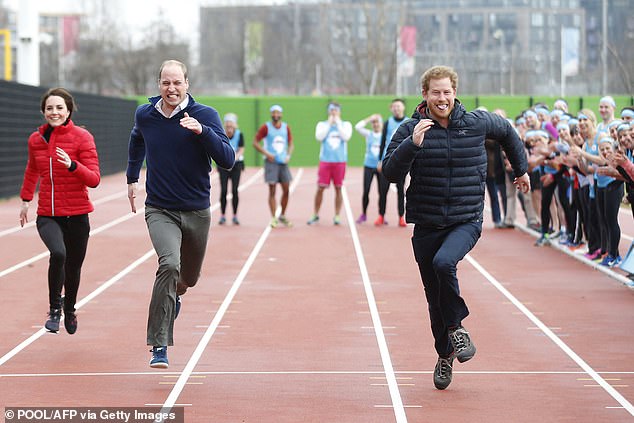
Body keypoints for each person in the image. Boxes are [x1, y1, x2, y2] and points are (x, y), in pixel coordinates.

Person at [382, 65, 530, 390]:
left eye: (447, 92)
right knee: (434, 300)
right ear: (425, 94)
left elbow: (506, 131)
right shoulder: (411, 128)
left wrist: (521, 169)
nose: (442, 98)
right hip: (426, 223)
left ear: (454, 92)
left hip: (466, 219)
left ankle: (458, 328)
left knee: (444, 263)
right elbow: (389, 172)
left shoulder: (476, 122)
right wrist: (413, 144)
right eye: (435, 92)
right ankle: (445, 355)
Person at [126, 60, 235, 368]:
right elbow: (136, 140)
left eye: (176, 83)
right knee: (169, 264)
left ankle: (175, 299)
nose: (171, 89)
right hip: (160, 208)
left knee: (187, 279)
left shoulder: (205, 115)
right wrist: (132, 177)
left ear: (187, 84)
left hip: (197, 211)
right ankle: (159, 344)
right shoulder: (146, 115)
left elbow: (227, 160)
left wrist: (203, 132)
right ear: (158, 84)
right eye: (165, 83)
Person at [19, 88, 101, 335]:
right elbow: (32, 169)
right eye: (49, 108)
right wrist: (25, 200)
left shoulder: (82, 137)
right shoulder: (36, 140)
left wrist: (73, 165)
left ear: (68, 110)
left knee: (73, 267)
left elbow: (94, 179)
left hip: (77, 214)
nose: (54, 112)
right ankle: (55, 309)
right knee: (58, 253)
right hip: (48, 214)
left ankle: (70, 307)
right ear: (43, 112)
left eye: (59, 108)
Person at [307, 102, 353, 225]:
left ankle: (337, 215)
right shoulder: (322, 125)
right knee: (320, 187)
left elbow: (346, 137)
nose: (333, 112)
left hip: (340, 162)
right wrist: (329, 123)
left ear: (339, 112)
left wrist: (337, 123)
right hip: (325, 161)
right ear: (328, 111)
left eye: (336, 110)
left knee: (338, 188)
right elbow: (319, 137)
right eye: (331, 110)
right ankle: (315, 214)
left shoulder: (345, 125)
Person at [253, 104, 294, 228]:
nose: (276, 115)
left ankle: (282, 215)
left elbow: (291, 143)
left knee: (286, 189)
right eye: (274, 113)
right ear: (271, 114)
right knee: (272, 190)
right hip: (271, 162)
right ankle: (273, 217)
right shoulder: (266, 127)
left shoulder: (286, 127)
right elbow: (255, 142)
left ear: (281, 114)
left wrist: (288, 155)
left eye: (278, 113)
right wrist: (267, 153)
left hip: (283, 162)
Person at [377, 98, 409, 227]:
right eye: (394, 106)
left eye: (399, 106)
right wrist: (380, 160)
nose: (396, 108)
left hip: (401, 161)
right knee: (383, 190)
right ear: (391, 108)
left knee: (401, 190)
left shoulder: (408, 123)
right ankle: (381, 215)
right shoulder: (387, 123)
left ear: (403, 108)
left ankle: (401, 216)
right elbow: (382, 142)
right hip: (388, 160)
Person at [354, 113, 383, 224]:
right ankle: (364, 214)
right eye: (374, 123)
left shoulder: (384, 135)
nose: (375, 124)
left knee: (382, 192)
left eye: (377, 122)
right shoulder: (368, 134)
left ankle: (381, 215)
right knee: (366, 190)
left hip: (380, 167)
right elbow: (357, 127)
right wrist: (369, 118)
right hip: (369, 166)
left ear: (381, 124)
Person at [218, 113, 244, 225]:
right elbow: (218, 148)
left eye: (231, 124)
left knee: (234, 190)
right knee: (223, 190)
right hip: (223, 165)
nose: (229, 126)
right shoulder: (221, 134)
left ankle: (235, 215)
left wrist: (233, 160)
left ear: (234, 125)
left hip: (236, 165)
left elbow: (241, 149)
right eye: (227, 124)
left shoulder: (239, 134)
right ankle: (223, 215)